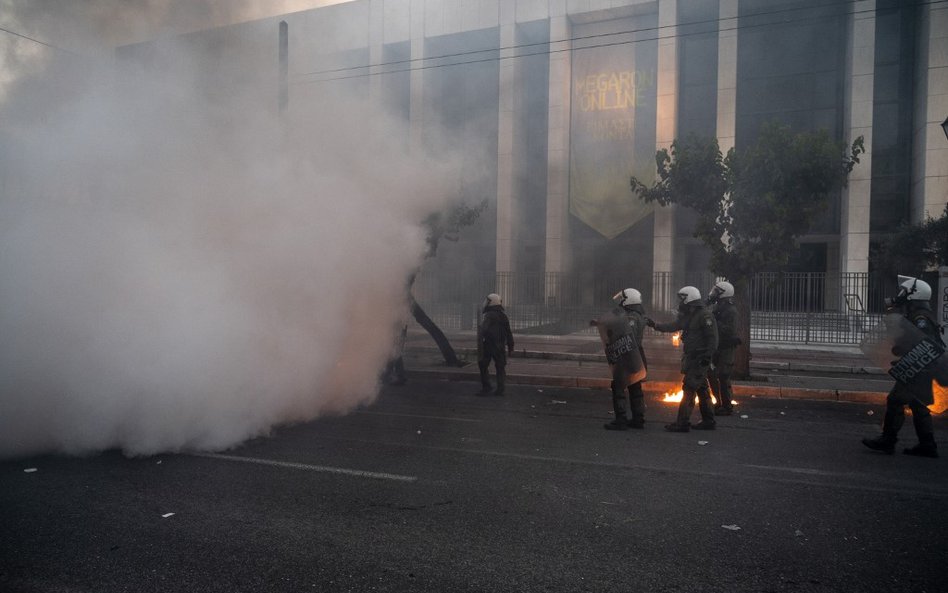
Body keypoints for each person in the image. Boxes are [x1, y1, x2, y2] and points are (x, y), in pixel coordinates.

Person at [862, 276, 941, 458]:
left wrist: (908, 357)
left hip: (918, 370)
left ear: (915, 294)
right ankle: (927, 445)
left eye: (904, 292)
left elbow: (924, 345)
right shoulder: (917, 315)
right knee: (919, 405)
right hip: (922, 369)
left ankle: (888, 441)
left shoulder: (920, 318)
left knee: (895, 400)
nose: (901, 295)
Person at [647, 286, 718, 432]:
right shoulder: (690, 315)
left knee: (689, 388)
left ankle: (682, 423)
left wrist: (707, 357)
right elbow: (674, 325)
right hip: (692, 357)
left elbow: (713, 339)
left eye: (683, 298)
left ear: (690, 298)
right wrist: (655, 325)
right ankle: (709, 420)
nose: (681, 302)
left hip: (700, 358)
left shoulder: (704, 316)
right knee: (702, 389)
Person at [603, 288, 649, 430]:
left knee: (618, 386)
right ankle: (638, 419)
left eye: (622, 299)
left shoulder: (631, 318)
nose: (620, 302)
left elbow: (629, 338)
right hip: (636, 355)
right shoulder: (638, 315)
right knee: (635, 386)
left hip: (628, 356)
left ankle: (621, 419)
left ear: (628, 300)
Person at [707, 280, 739, 416]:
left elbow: (729, 330)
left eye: (716, 291)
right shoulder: (717, 307)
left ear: (723, 294)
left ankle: (727, 406)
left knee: (723, 376)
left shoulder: (731, 310)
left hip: (726, 347)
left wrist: (714, 322)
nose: (713, 293)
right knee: (712, 374)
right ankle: (718, 403)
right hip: (717, 346)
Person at [477, 293, 514, 396]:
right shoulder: (503, 315)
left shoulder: (489, 315)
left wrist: (481, 335)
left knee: (483, 365)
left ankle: (486, 387)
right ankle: (500, 388)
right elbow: (508, 332)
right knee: (500, 367)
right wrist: (511, 345)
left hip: (489, 344)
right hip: (500, 345)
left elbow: (484, 329)